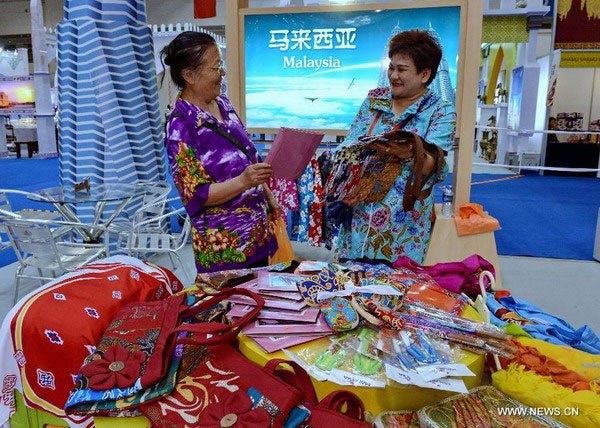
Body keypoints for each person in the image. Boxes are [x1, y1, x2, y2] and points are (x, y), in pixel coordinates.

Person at [160, 31, 278, 274]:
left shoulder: (223, 104)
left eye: (220, 65)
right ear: (189, 75)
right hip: (225, 249)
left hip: (259, 235)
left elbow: (249, 156)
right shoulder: (181, 126)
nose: (222, 73)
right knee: (233, 309)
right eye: (216, 67)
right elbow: (198, 195)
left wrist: (269, 197)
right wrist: (244, 181)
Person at [335, 29, 457, 264]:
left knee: (397, 290)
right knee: (353, 287)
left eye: (402, 69)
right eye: (391, 67)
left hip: (403, 229)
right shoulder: (374, 100)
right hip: (359, 218)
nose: (393, 75)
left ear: (424, 74)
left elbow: (433, 165)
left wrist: (409, 151)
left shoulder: (440, 111)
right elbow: (350, 146)